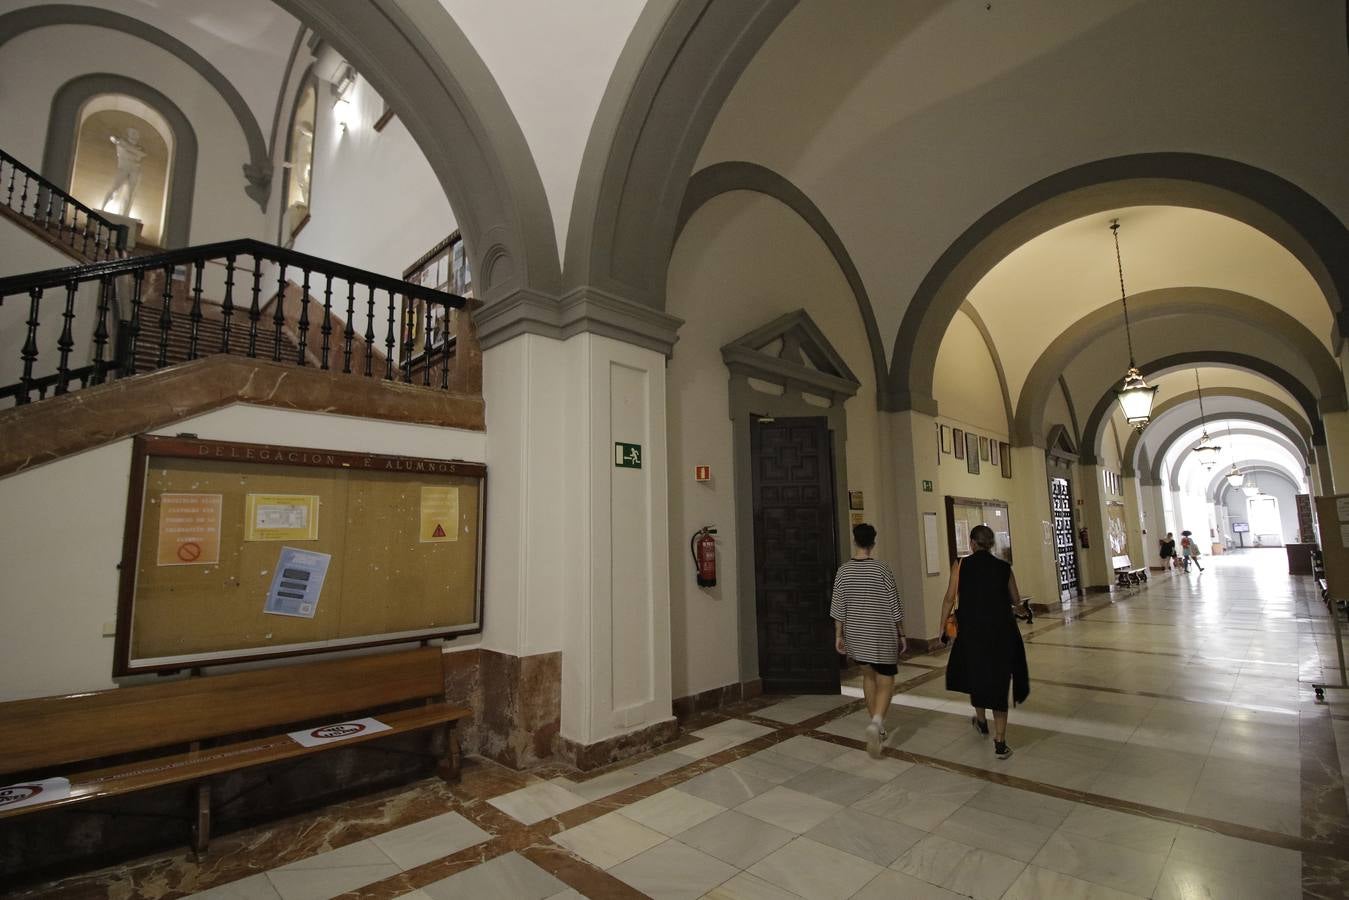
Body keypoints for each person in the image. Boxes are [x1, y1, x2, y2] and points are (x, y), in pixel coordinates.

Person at [938, 525, 1029, 759]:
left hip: (972, 632)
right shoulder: (1004, 568)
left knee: (976, 675)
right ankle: (1000, 740)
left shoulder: (961, 565)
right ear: (991, 544)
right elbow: (1016, 599)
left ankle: (981, 720)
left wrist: (942, 628)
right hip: (1001, 633)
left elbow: (949, 597)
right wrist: (1018, 610)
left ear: (972, 543)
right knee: (999, 683)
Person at [831, 522, 906, 759]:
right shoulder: (882, 569)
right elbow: (894, 603)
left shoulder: (843, 571)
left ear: (855, 541)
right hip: (881, 633)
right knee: (886, 679)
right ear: (873, 543)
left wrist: (838, 635)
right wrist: (901, 632)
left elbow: (838, 606)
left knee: (868, 676)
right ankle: (876, 722)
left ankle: (878, 725)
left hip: (856, 633)